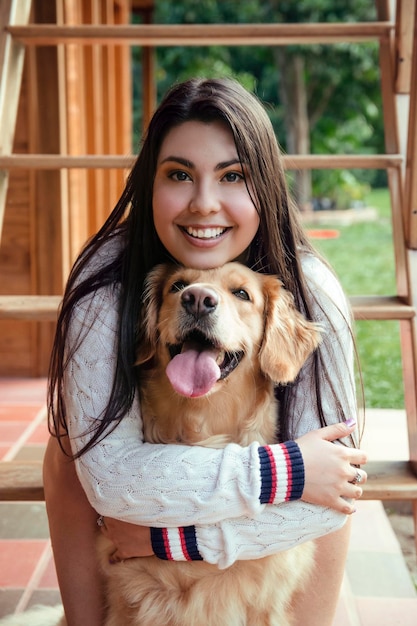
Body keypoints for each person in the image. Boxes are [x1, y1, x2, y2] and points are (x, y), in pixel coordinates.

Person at [43, 77, 368, 626]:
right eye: (178, 174)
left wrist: (160, 537)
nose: (203, 202)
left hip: (246, 498)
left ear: (263, 185)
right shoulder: (107, 287)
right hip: (151, 477)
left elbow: (335, 485)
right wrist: (286, 472)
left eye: (233, 175)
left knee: (335, 469)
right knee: (68, 439)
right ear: (150, 184)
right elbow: (110, 476)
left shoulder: (312, 289)